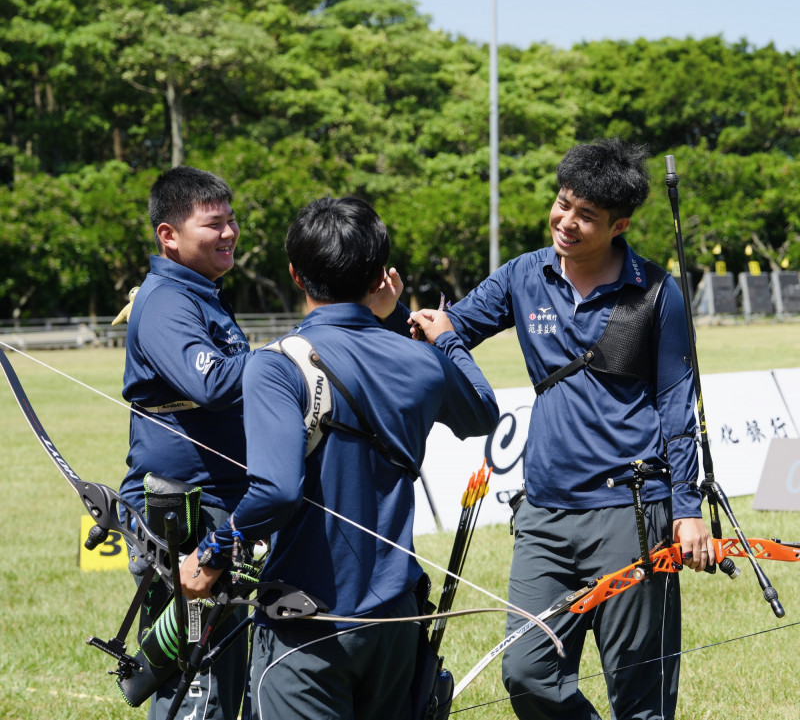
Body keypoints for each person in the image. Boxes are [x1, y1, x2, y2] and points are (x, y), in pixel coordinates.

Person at [409, 138, 713, 720]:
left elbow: (677, 406)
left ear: (619, 224)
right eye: (563, 202)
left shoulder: (657, 292)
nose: (566, 222)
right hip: (543, 515)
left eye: (586, 216)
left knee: (639, 694)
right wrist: (395, 313)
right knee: (525, 670)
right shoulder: (523, 274)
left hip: (632, 511)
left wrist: (687, 506)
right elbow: (452, 327)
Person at [179, 195, 500, 720]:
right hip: (395, 618)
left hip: (306, 622)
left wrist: (210, 556)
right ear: (379, 276)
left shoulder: (276, 364)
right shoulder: (420, 360)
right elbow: (482, 413)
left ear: (294, 274)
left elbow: (277, 490)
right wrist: (446, 339)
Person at [120, 165, 252, 720]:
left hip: (213, 509)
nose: (228, 234)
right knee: (195, 684)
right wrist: (290, 359)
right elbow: (213, 382)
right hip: (183, 517)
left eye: (231, 221)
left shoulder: (201, 293)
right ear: (168, 236)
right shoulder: (169, 301)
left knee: (222, 671)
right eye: (212, 224)